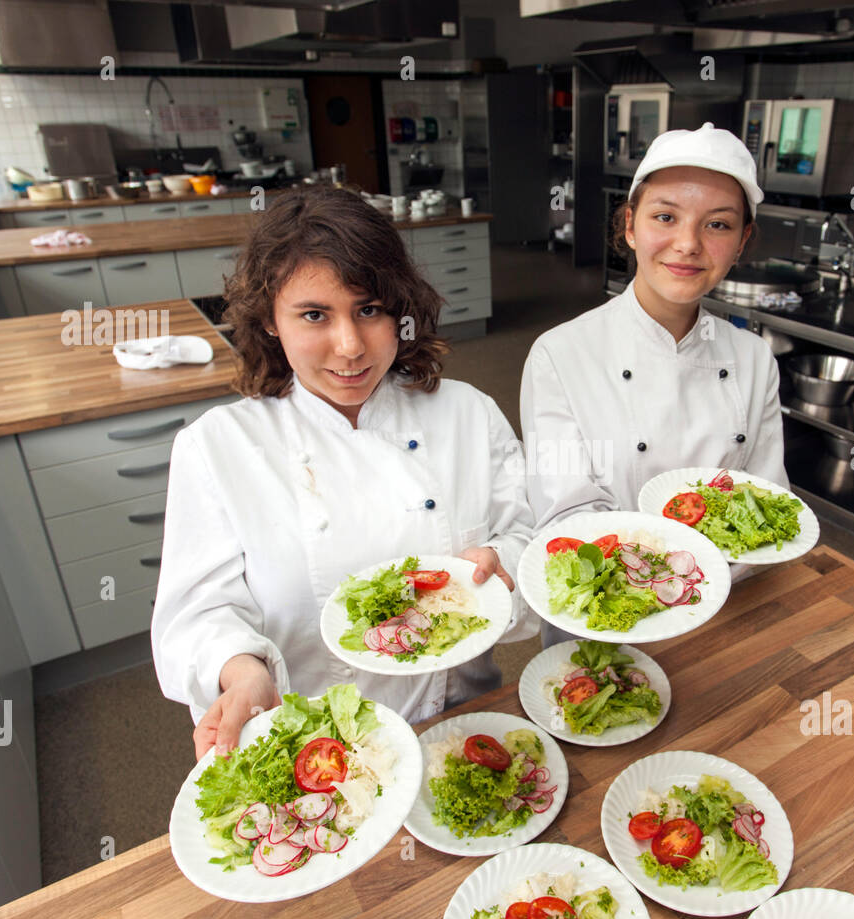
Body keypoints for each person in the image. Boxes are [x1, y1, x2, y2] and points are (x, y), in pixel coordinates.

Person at [153, 187, 536, 759]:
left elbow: (529, 543)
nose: (350, 347)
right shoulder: (219, 447)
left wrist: (502, 568)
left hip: (463, 721)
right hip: (325, 755)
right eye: (314, 315)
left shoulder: (467, 413)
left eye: (369, 310)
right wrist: (241, 670)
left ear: (399, 310)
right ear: (270, 323)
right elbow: (199, 613)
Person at [519, 122, 790, 643]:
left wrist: (703, 591)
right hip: (602, 621)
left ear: (742, 242)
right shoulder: (560, 354)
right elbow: (565, 515)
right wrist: (662, 585)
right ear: (630, 226)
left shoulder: (754, 359)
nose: (687, 244)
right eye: (665, 217)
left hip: (722, 611)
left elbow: (766, 500)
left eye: (718, 225)